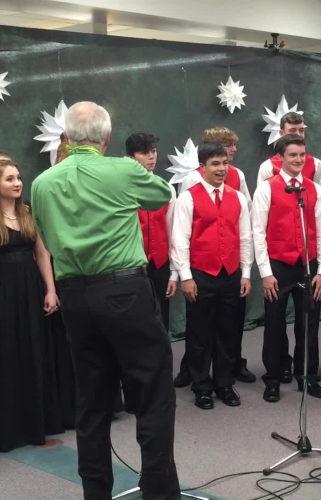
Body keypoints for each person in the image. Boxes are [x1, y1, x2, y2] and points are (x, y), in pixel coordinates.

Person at [31, 102, 180, 500]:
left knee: (92, 401)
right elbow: (163, 194)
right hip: (124, 292)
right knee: (152, 393)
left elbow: (45, 232)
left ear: (67, 135)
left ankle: (96, 494)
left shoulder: (42, 183)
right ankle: (158, 493)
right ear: (107, 138)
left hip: (75, 297)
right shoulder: (123, 169)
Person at [171, 143, 253, 410]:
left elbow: (245, 237)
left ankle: (224, 384)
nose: (221, 169)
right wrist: (185, 276)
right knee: (200, 334)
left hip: (231, 273)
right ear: (202, 167)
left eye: (224, 163)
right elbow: (180, 240)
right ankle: (201, 386)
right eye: (215, 164)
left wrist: (246, 272)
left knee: (228, 332)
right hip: (201, 275)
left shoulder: (238, 197)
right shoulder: (188, 198)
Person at [252, 134, 321, 403]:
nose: (298, 160)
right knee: (274, 324)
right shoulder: (266, 188)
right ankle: (272, 379)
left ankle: (308, 377)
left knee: (308, 324)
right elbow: (257, 233)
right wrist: (265, 272)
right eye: (292, 155)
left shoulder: (314, 189)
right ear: (281, 158)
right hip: (278, 265)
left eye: (301, 155)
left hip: (308, 265)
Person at [0, 159, 63, 452]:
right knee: (8, 357)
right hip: (4, 295)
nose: (17, 183)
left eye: (18, 177)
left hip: (31, 291)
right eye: (9, 178)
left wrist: (50, 290)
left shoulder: (27, 213)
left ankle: (38, 423)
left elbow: (42, 254)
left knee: (34, 353)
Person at [126, 132, 178, 331]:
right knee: (136, 321)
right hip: (132, 265)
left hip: (160, 264)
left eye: (154, 151)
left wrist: (174, 273)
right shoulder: (122, 189)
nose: (151, 157)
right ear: (131, 157)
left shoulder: (166, 188)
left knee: (162, 318)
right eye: (144, 152)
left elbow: (172, 231)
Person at [257, 112, 321, 186]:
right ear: (281, 133)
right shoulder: (268, 167)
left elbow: (320, 194)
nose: (298, 135)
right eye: (292, 131)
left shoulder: (317, 165)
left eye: (301, 131)